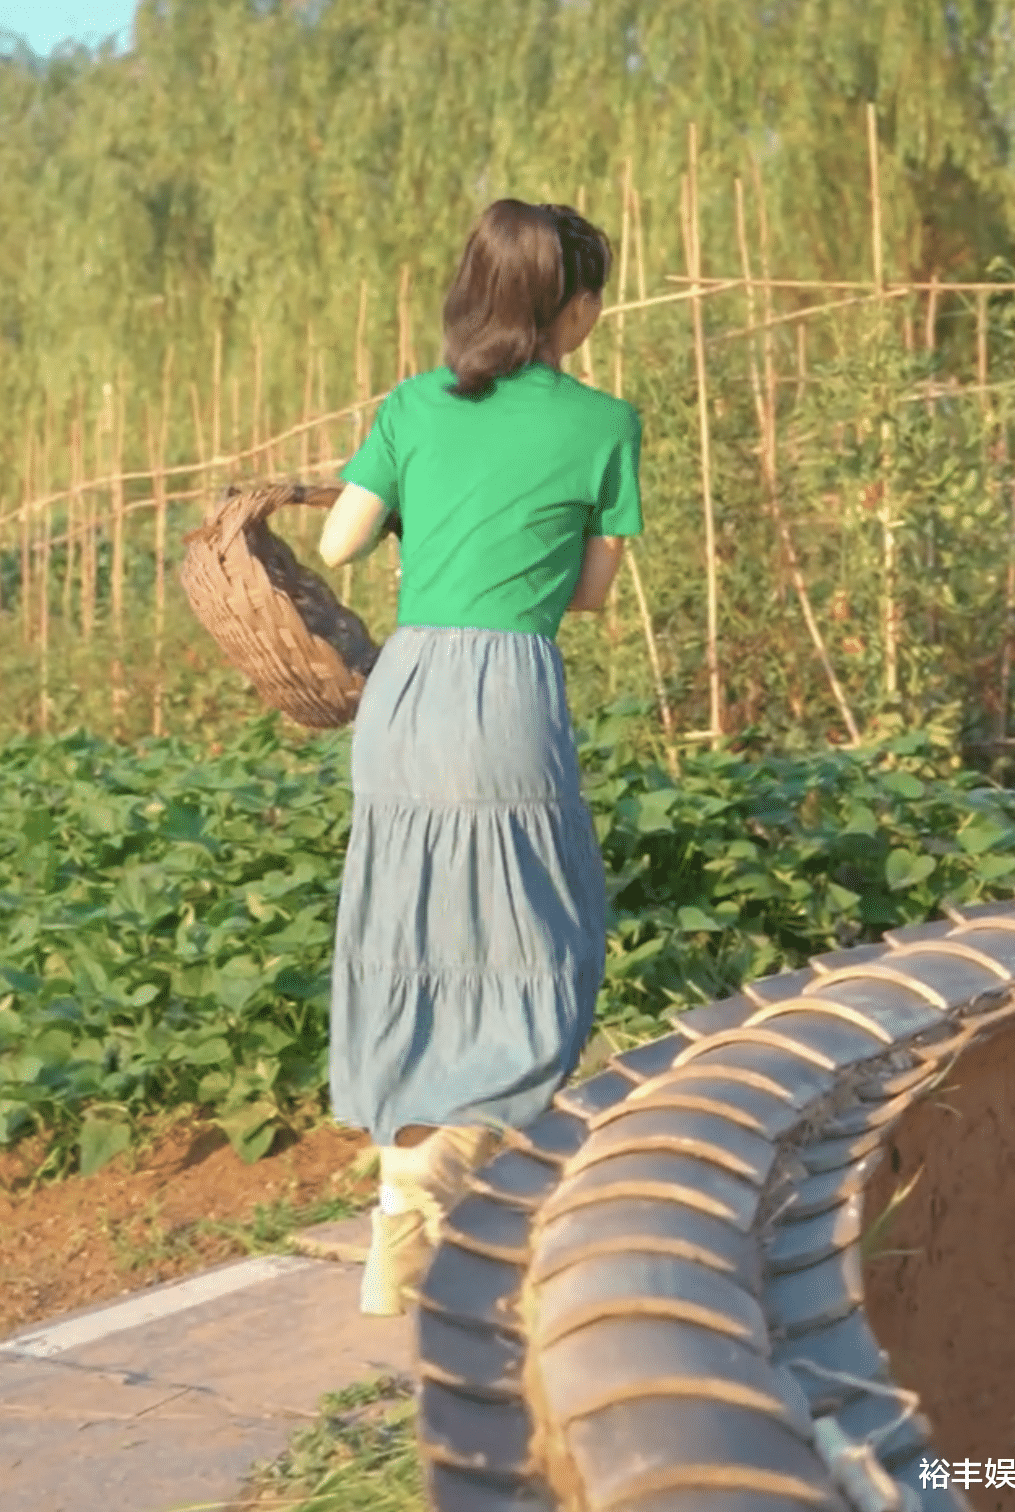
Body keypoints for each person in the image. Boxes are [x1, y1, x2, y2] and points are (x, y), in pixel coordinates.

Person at [318, 199, 644, 1316]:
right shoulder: (605, 423)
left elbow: (338, 543)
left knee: (409, 931)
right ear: (577, 308)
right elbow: (591, 594)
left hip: (406, 690)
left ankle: (401, 1209)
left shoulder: (413, 405)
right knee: (539, 934)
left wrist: (414, 507)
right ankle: (451, 1166)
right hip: (509, 690)